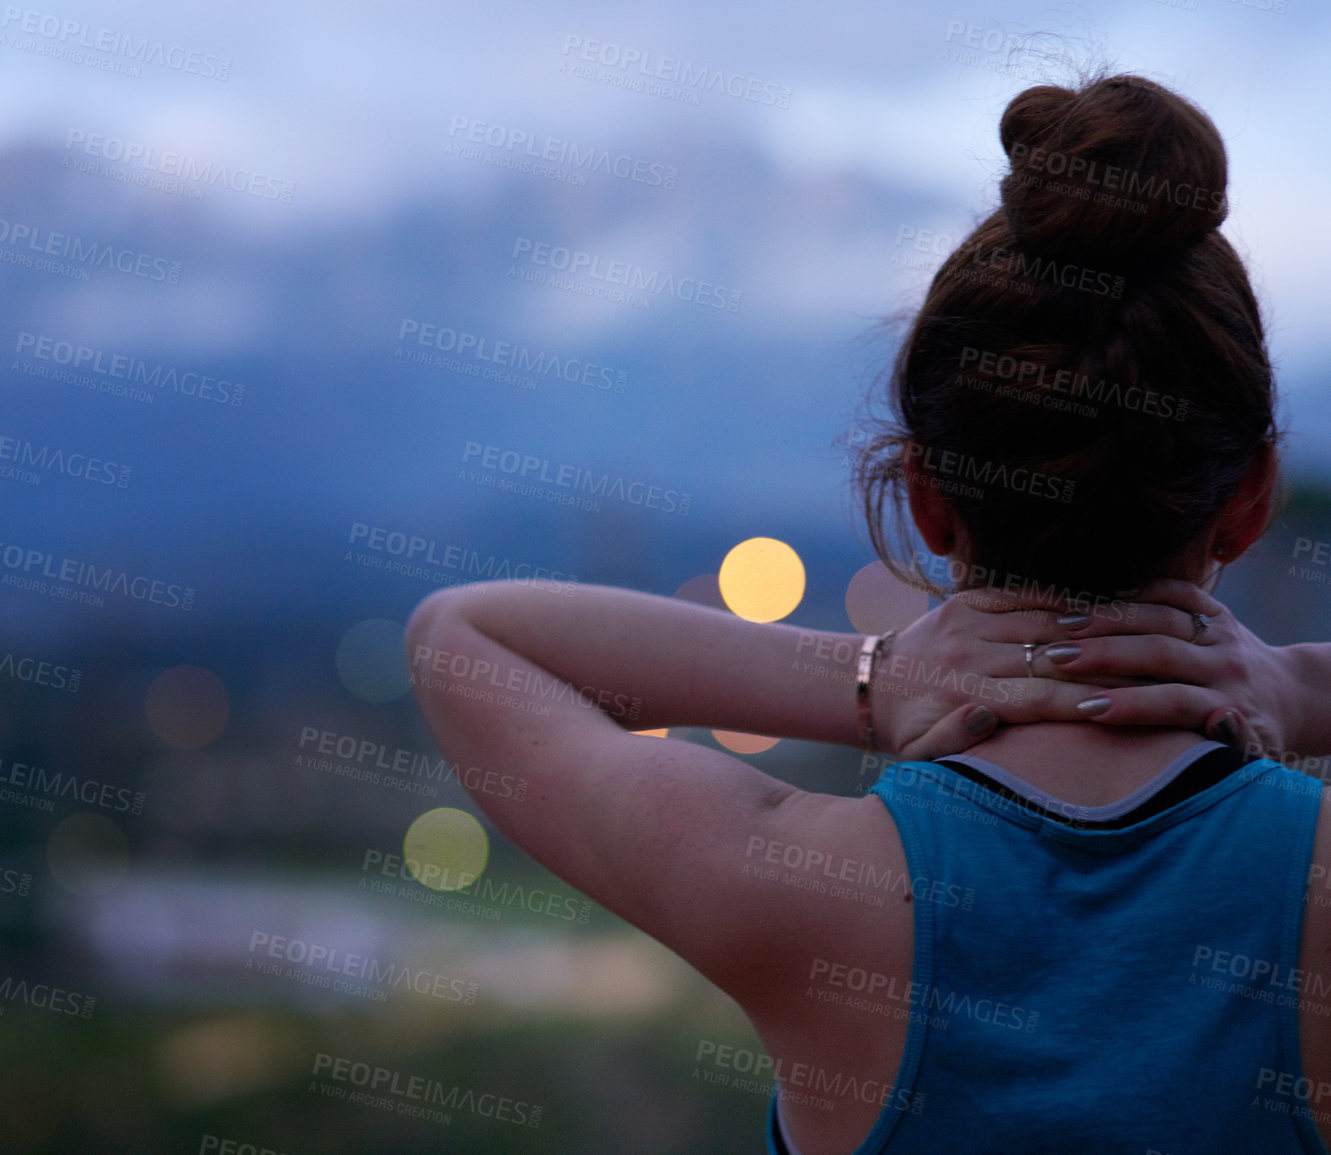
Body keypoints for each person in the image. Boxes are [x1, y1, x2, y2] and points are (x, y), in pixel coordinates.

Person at [405, 72, 1331, 1153]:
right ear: (1254, 499)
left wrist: (871, 680)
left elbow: (462, 638)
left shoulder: (808, 888)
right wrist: (1299, 686)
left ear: (927, 500)